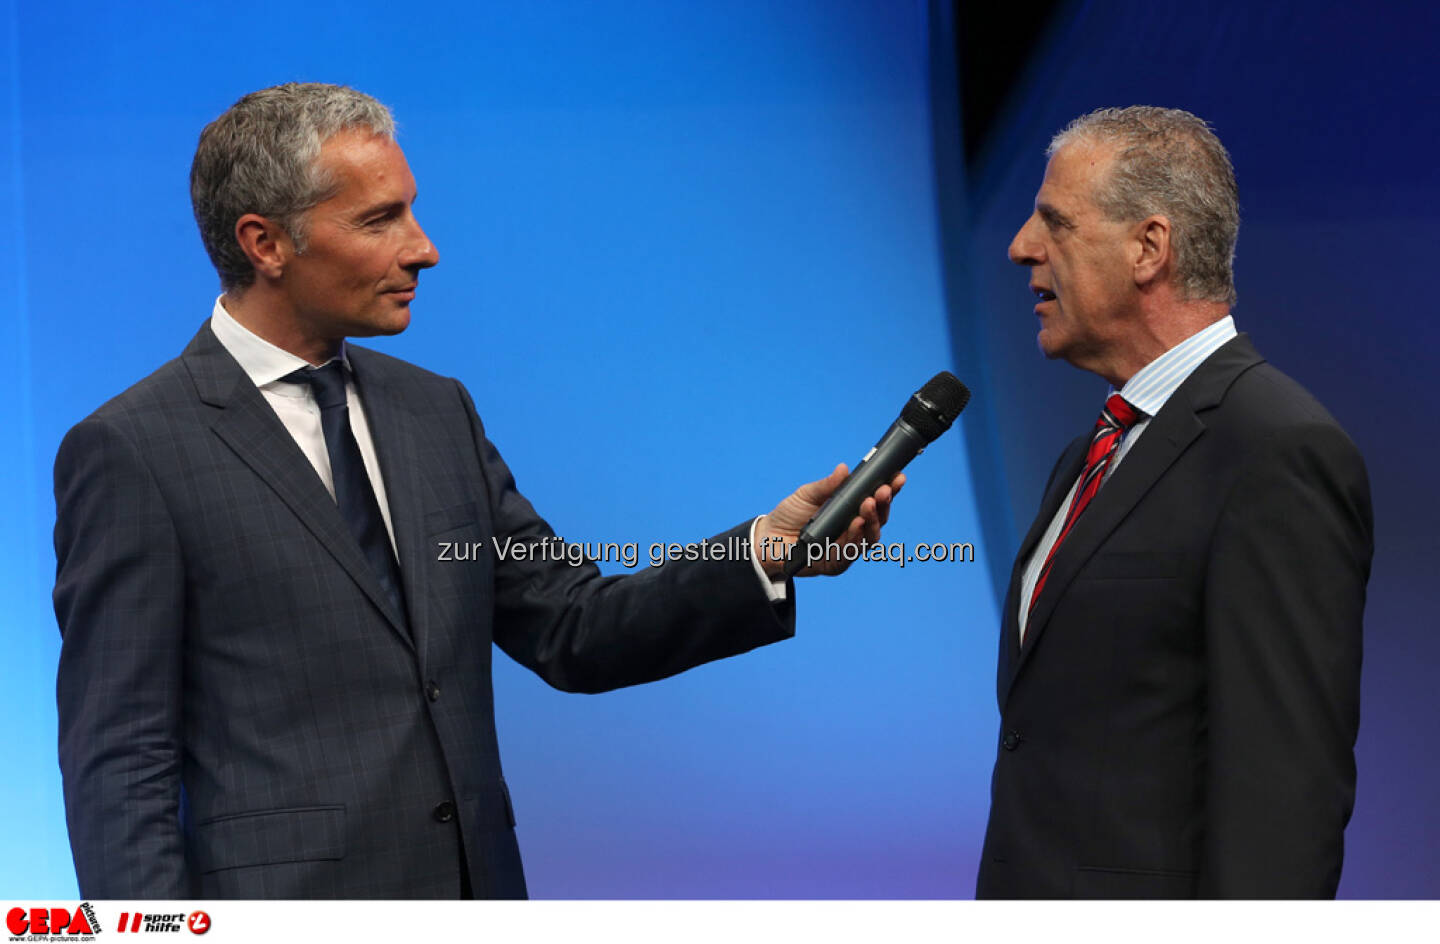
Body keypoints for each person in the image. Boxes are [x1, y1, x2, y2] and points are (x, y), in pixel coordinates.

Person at [52, 82, 902, 900]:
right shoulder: (133, 450)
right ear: (265, 243)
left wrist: (762, 553)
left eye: (411, 210)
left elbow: (572, 624)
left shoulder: (435, 412)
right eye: (380, 220)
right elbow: (120, 765)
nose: (422, 247)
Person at [977, 106, 1373, 899]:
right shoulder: (1097, 449)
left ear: (1148, 249)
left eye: (1054, 222)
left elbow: (1283, 796)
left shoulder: (1274, 449)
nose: (1022, 247)